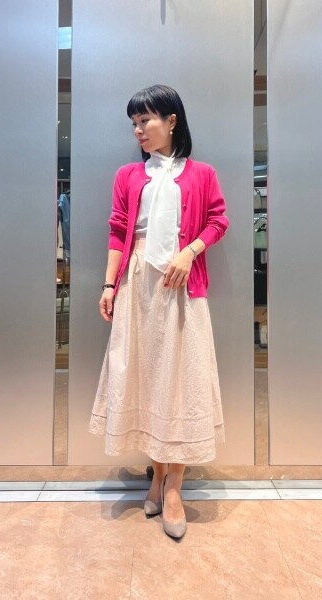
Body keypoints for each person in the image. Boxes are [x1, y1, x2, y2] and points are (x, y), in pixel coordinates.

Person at [89, 84, 229, 539]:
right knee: (147, 376)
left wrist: (190, 252)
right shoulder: (128, 175)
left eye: (145, 120)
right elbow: (118, 230)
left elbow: (218, 220)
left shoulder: (202, 173)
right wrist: (109, 284)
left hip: (182, 286)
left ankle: (173, 488)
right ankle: (157, 474)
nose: (138, 130)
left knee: (180, 380)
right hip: (138, 283)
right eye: (134, 123)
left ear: (171, 121)